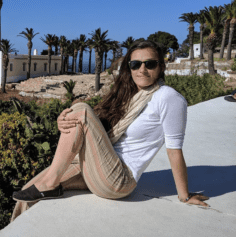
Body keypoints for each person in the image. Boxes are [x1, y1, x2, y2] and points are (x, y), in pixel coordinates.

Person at [11, 40, 209, 222]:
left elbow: (174, 150)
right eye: (135, 64)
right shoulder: (129, 94)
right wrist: (63, 121)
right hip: (98, 165)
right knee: (28, 192)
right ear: (128, 68)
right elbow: (95, 126)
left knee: (82, 110)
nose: (142, 69)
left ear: (161, 66)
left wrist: (184, 196)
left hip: (119, 179)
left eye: (150, 64)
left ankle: (51, 182)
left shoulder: (168, 98)